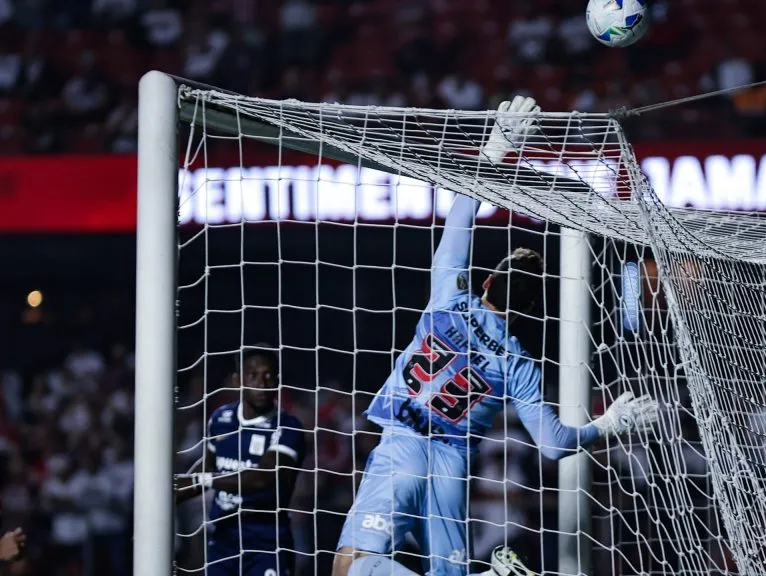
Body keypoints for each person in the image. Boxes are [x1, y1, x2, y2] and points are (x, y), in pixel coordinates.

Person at [333, 96, 659, 576]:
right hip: (452, 469)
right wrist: (608, 425)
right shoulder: (519, 363)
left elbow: (459, 221)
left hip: (402, 446)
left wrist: (497, 149)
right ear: (528, 311)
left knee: (352, 567)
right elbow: (553, 446)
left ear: (485, 282)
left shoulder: (450, 298)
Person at [175, 346, 306, 576]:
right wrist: (172, 489)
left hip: (267, 539)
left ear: (277, 381)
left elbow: (262, 478)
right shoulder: (221, 419)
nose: (262, 384)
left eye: (268, 376)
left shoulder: (287, 426)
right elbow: (208, 465)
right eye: (253, 375)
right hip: (224, 539)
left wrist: (205, 480)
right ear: (237, 381)